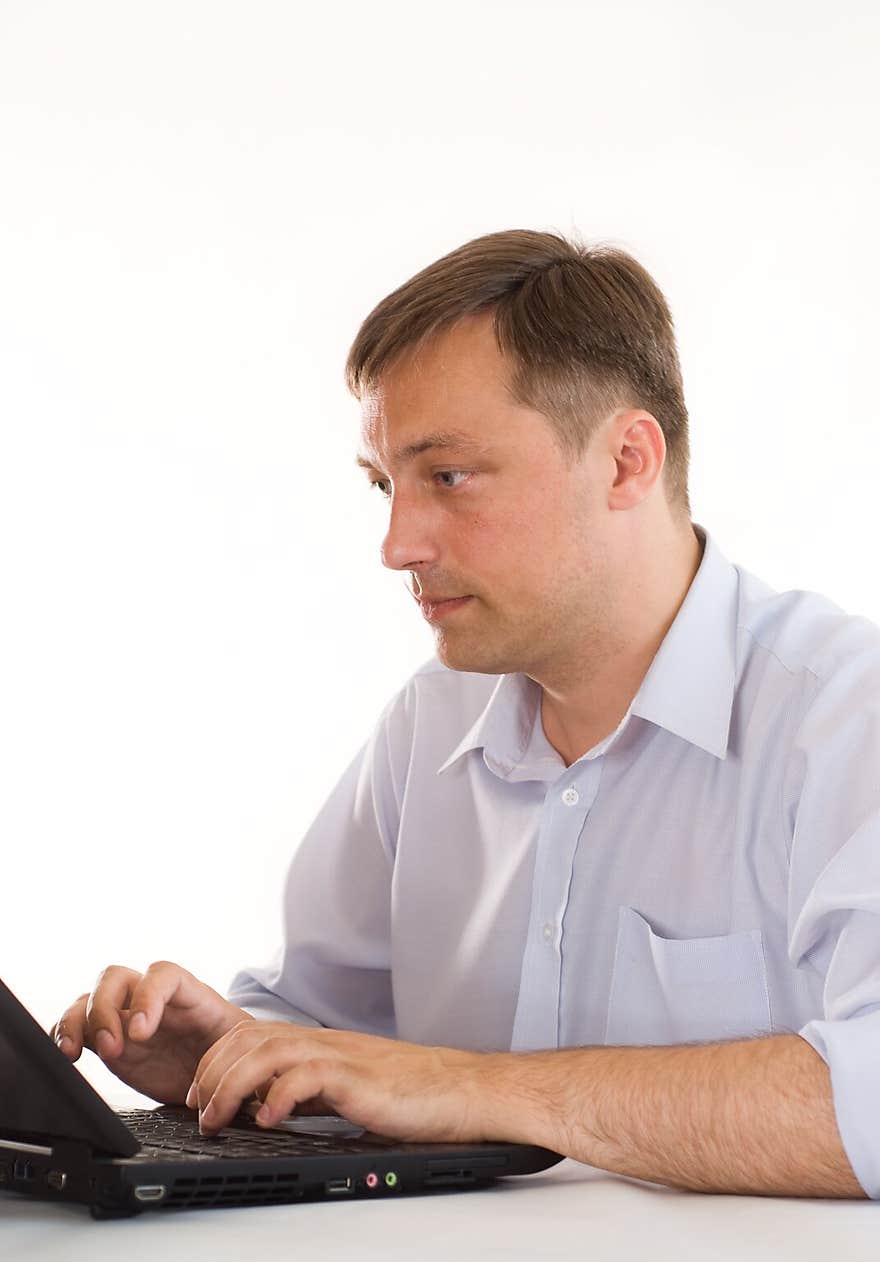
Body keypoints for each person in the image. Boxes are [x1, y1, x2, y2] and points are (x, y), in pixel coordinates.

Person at [53, 229, 880, 1200]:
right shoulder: (431, 723)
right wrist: (232, 1060)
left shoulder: (838, 717)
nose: (396, 543)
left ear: (624, 461)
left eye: (446, 477)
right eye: (382, 485)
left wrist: (474, 1086)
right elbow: (335, 1040)